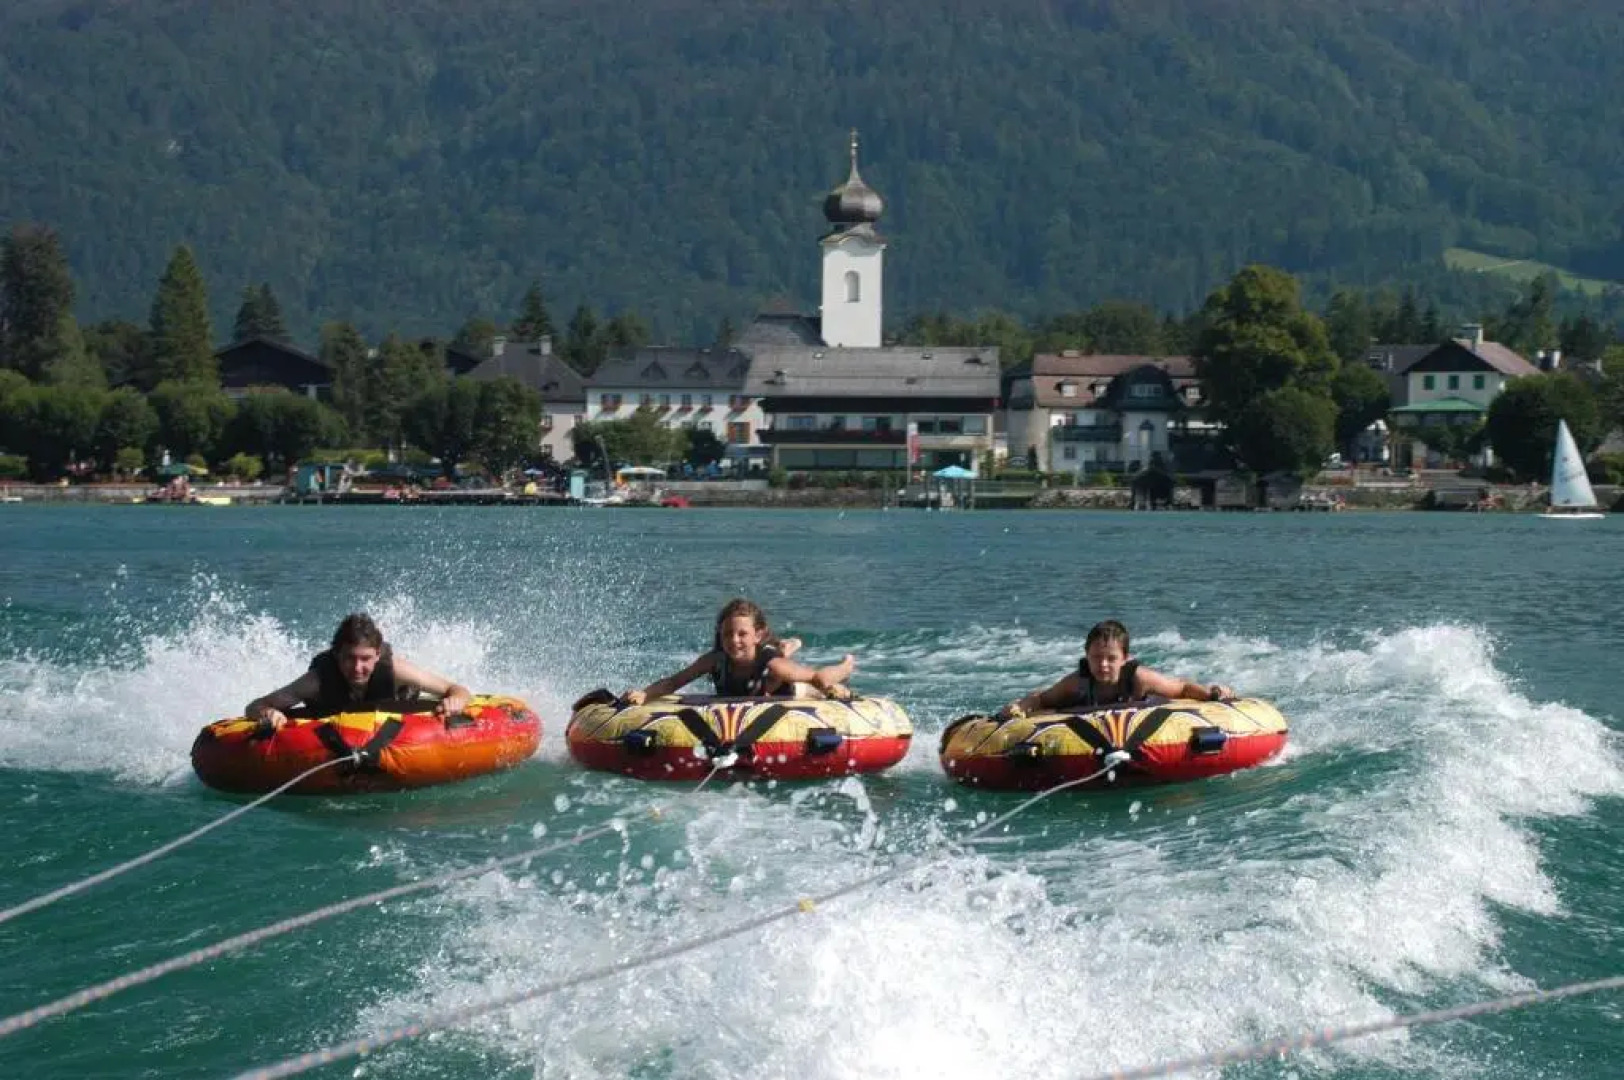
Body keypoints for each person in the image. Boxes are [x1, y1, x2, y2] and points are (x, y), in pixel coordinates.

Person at [244, 613, 472, 728]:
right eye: (349, 659)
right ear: (336, 656)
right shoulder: (316, 682)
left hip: (396, 719)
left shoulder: (396, 671)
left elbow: (457, 689)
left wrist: (456, 701)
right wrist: (268, 713)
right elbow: (255, 706)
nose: (357, 668)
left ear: (378, 655)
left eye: (365, 659)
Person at [622, 598, 856, 704]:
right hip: (755, 692)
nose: (734, 641)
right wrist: (645, 694)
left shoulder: (771, 664)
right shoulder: (715, 660)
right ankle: (786, 646)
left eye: (742, 634)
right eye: (727, 635)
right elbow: (674, 682)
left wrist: (831, 687)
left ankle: (846, 666)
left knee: (819, 679)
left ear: (758, 635)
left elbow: (815, 677)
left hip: (791, 692)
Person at [999, 619, 1235, 718]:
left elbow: (1182, 688)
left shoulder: (1139, 679)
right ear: (1086, 657)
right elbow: (1041, 698)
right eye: (1096, 657)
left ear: (1125, 658)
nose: (1102, 664)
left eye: (1111, 658)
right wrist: (1021, 706)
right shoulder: (1078, 682)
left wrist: (1211, 694)